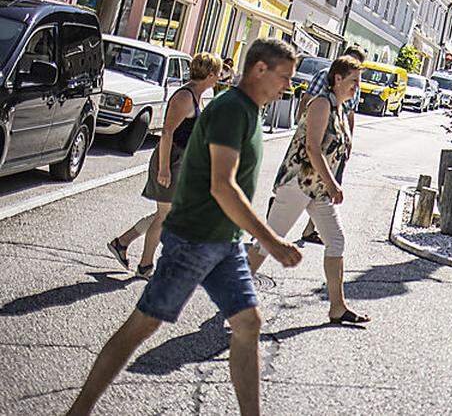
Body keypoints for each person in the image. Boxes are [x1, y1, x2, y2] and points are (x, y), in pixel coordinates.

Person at [68, 39, 303, 416]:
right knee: (142, 326)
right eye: (284, 77)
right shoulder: (231, 111)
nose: (288, 87)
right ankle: (77, 412)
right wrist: (270, 241)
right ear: (260, 69)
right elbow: (221, 185)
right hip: (194, 238)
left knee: (248, 323)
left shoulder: (250, 111)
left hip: (223, 241)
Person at [247, 56, 368, 324]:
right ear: (337, 79)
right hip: (298, 184)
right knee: (270, 240)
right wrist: (333, 183)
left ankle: (337, 307)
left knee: (336, 242)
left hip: (317, 190)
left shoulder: (338, 107)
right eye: (353, 81)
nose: (357, 87)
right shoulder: (322, 104)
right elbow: (313, 148)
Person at [107, 53, 223, 279]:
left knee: (167, 213)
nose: (219, 79)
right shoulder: (185, 97)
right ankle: (145, 266)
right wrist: (164, 168)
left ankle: (122, 242)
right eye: (217, 74)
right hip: (171, 159)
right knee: (165, 216)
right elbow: (167, 132)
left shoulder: (197, 96)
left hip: (183, 162)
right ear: (209, 75)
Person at [294, 45, 366, 245]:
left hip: (335, 150)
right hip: (315, 150)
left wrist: (349, 139)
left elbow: (349, 113)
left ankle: (310, 229)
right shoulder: (325, 78)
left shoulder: (354, 85)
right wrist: (300, 125)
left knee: (336, 241)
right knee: (292, 200)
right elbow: (308, 99)